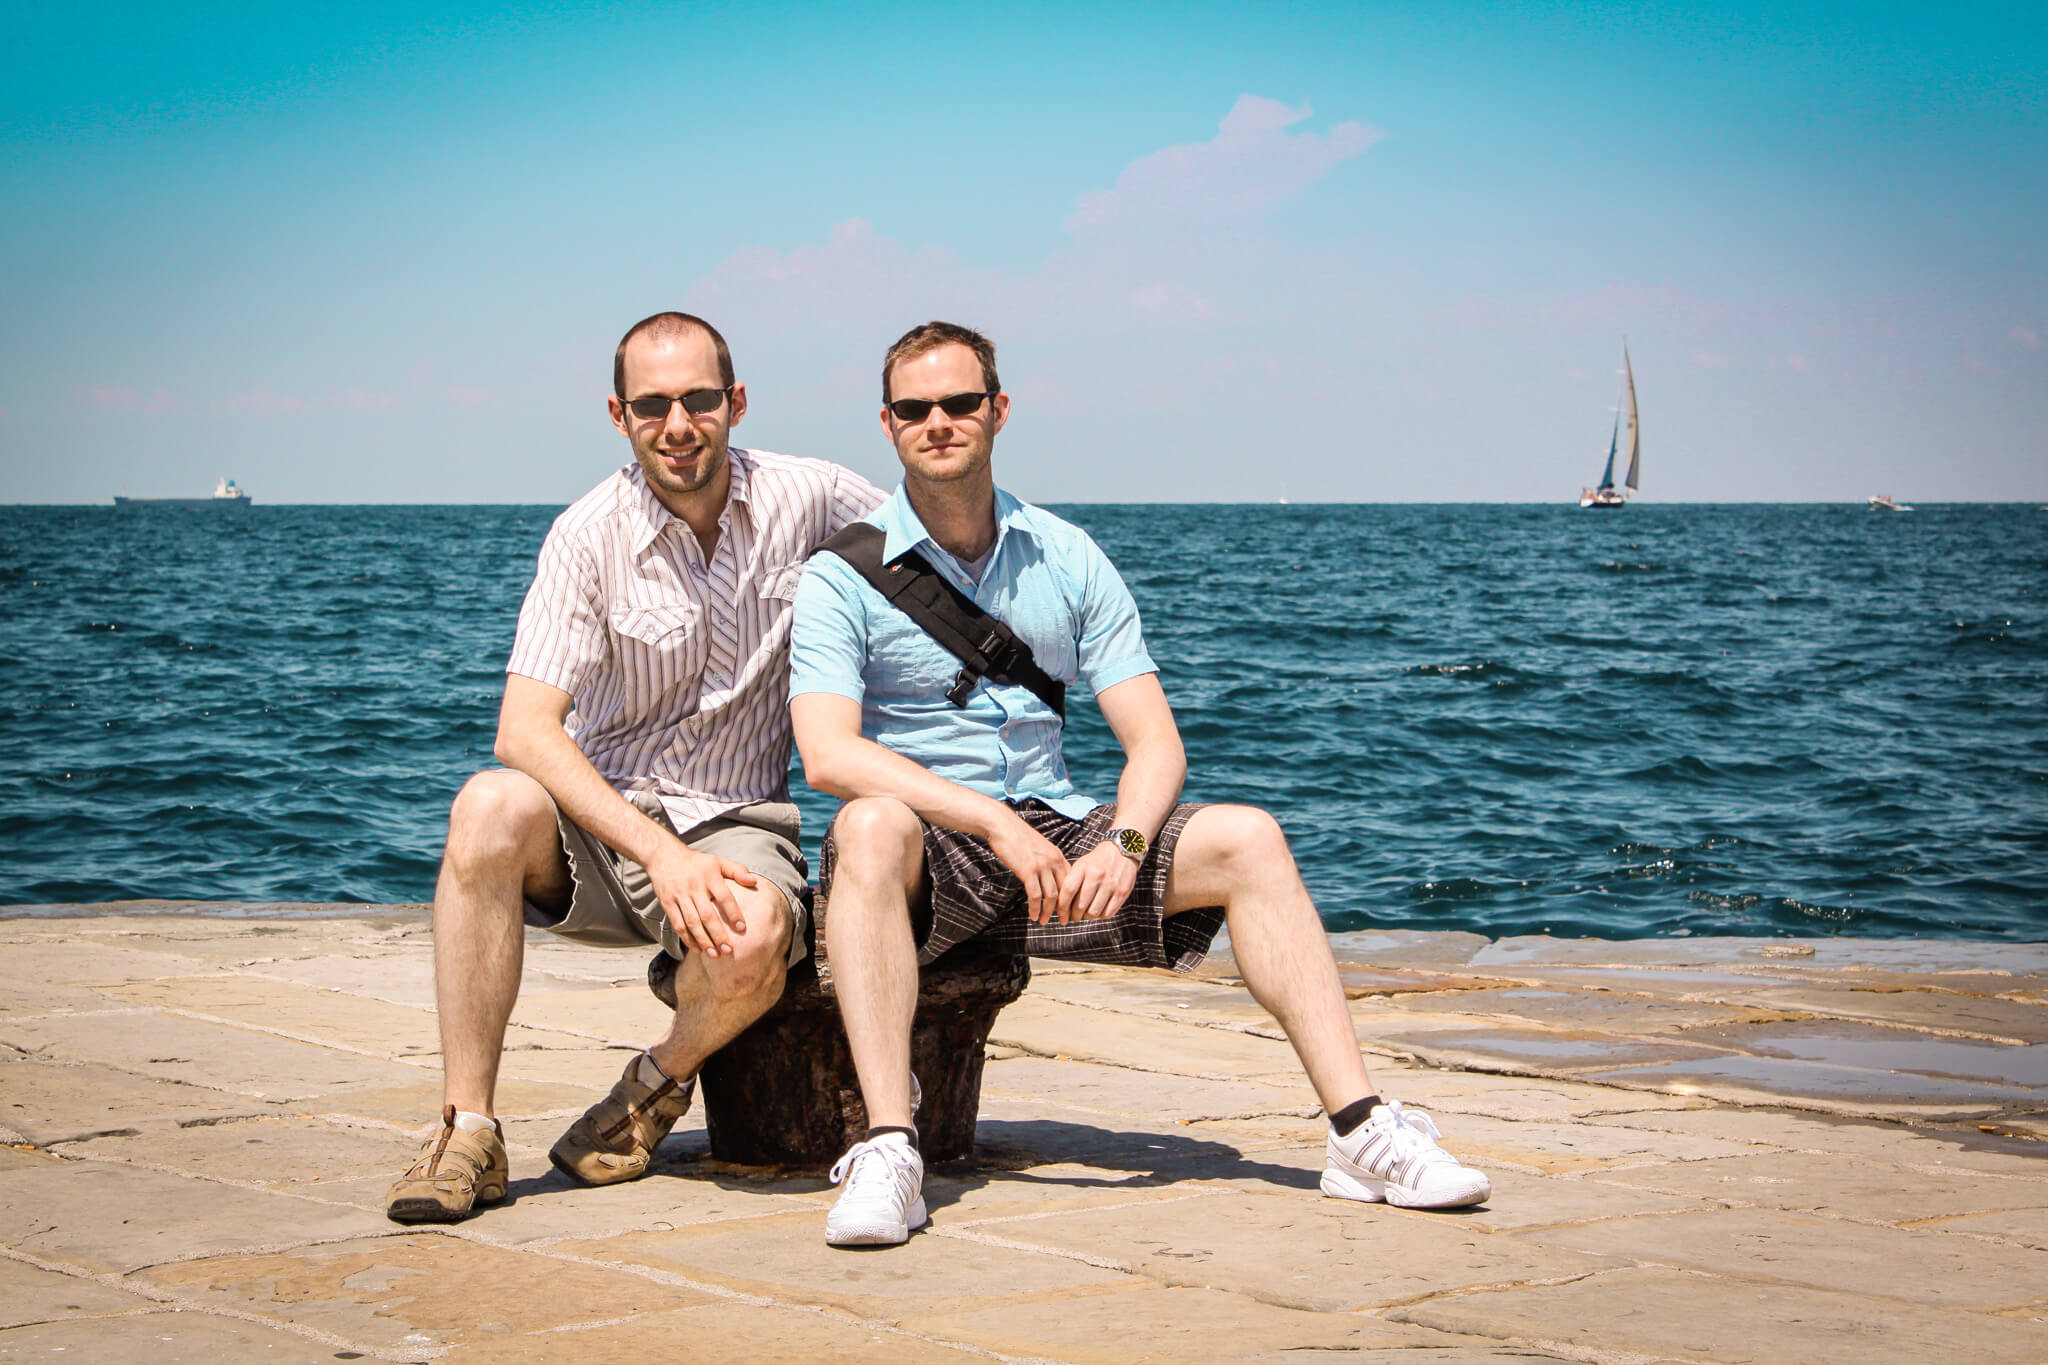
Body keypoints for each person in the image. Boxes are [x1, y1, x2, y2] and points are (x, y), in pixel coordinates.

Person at [787, 321, 1491, 1247]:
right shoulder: (844, 574)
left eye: (960, 403)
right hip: (932, 853)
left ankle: (1360, 1130)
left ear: (998, 411)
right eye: (915, 409)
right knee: (871, 825)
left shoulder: (1069, 556)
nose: (940, 422)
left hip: (1063, 847)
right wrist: (992, 822)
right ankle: (889, 1148)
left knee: (1250, 838)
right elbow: (830, 754)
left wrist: (1122, 840)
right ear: (888, 424)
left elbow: (1155, 742)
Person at [385, 311, 883, 1222]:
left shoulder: (811, 495)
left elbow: (927, 548)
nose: (678, 424)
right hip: (605, 828)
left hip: (739, 818)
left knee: (756, 941)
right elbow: (525, 730)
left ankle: (649, 1088)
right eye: (652, 405)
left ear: (736, 402)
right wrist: (660, 855)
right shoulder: (586, 534)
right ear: (619, 415)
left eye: (699, 399)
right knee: (487, 806)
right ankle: (467, 1130)